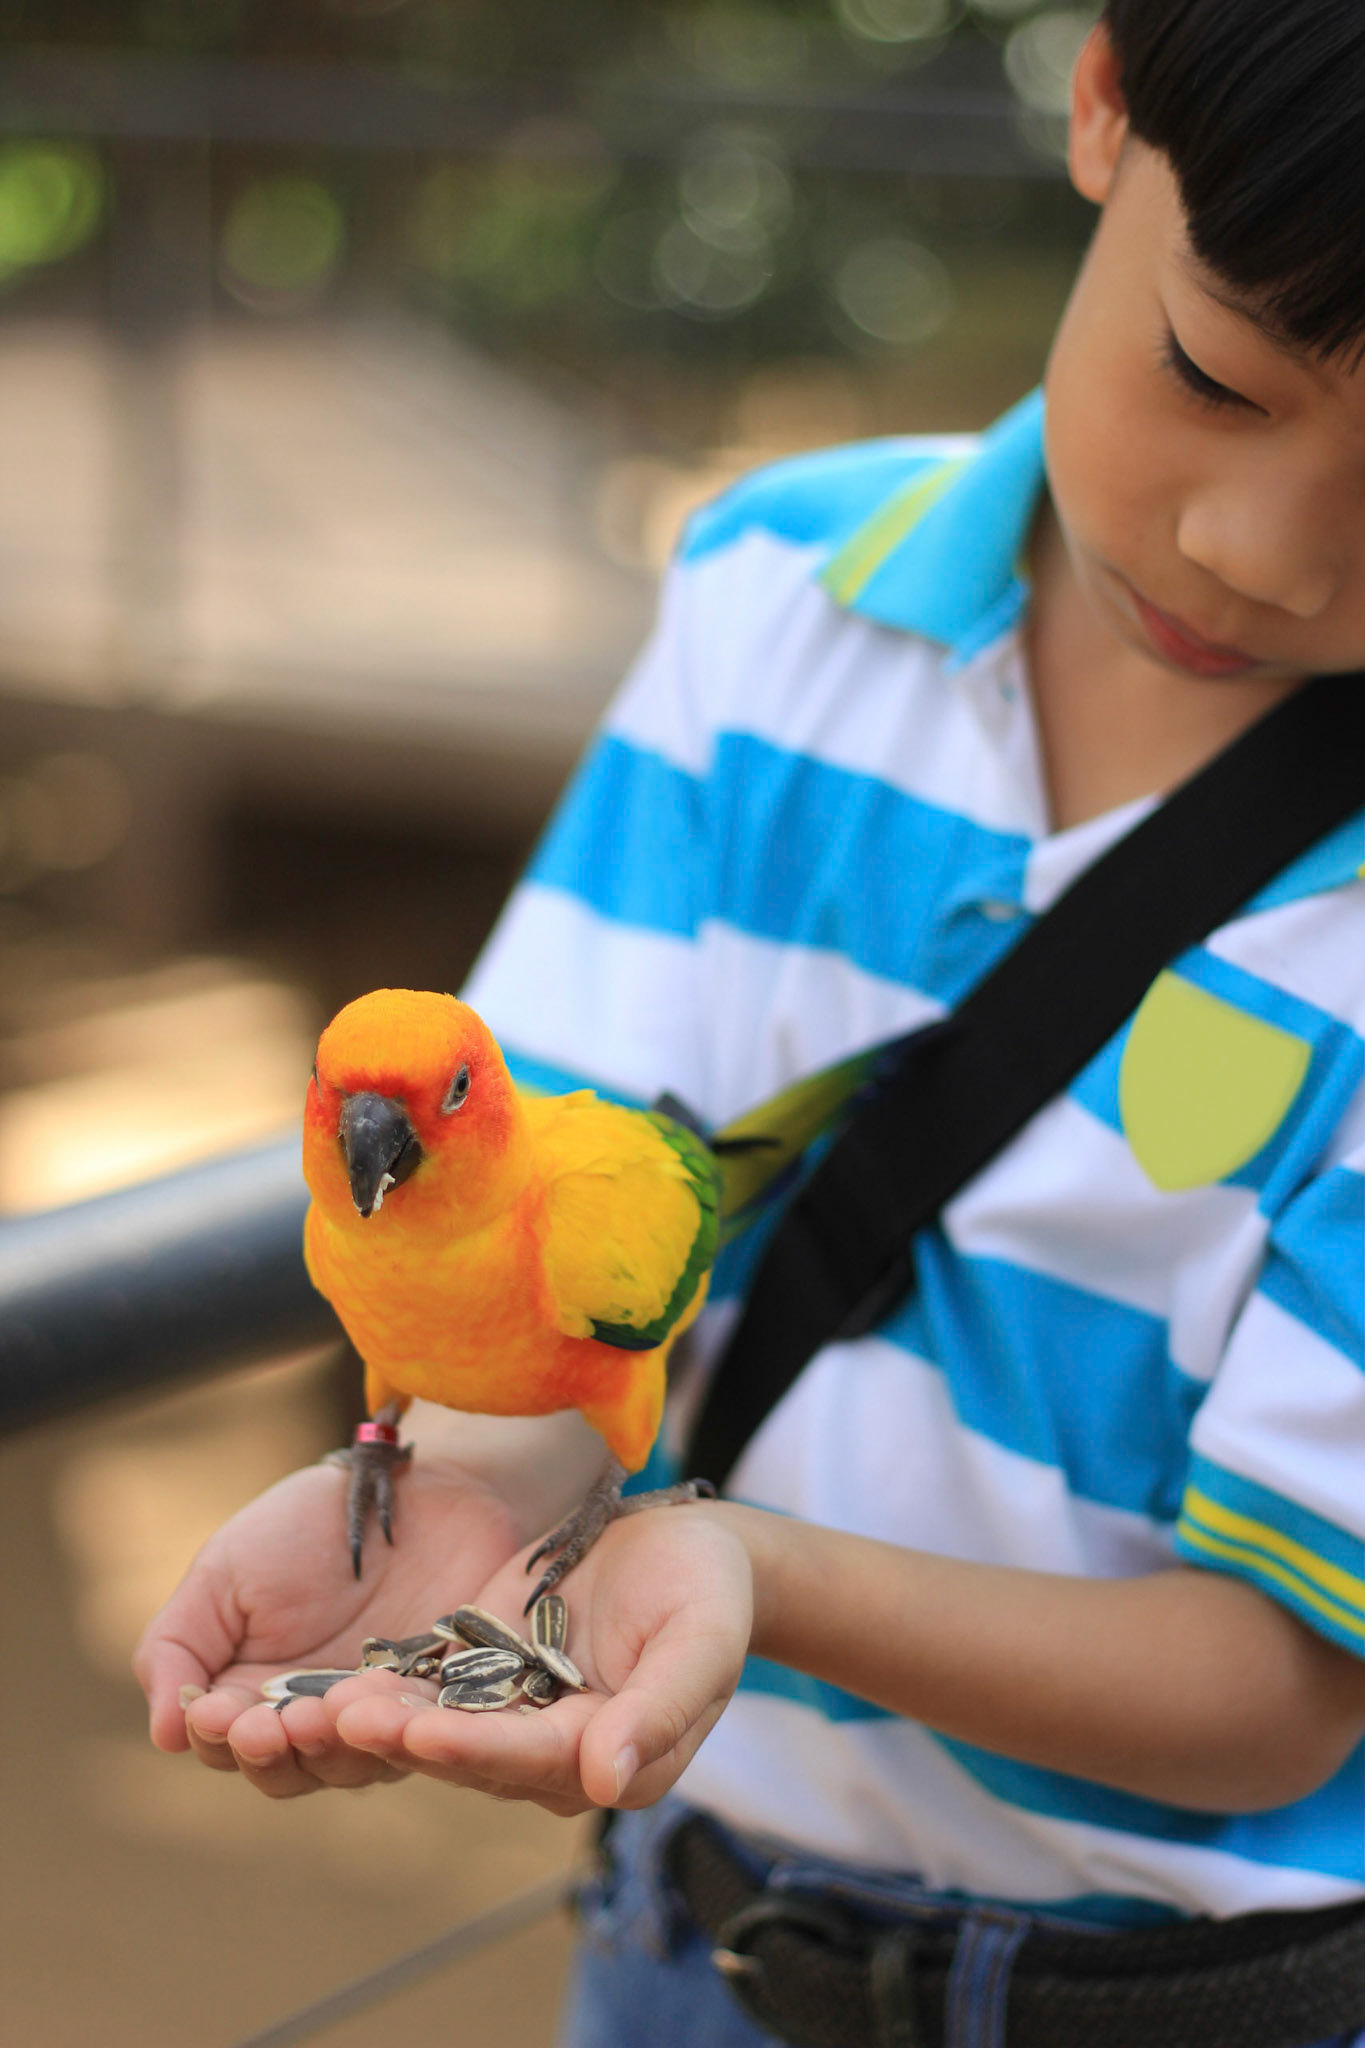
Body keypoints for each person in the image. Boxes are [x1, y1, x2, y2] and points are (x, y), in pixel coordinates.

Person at [134, 5, 1365, 2043]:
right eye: (1208, 373)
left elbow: (1281, 1686)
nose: (1255, 547)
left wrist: (745, 1572)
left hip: (1177, 1999)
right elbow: (545, 1262)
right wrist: (474, 1491)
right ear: (1097, 101)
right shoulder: (769, 596)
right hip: (686, 1931)